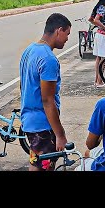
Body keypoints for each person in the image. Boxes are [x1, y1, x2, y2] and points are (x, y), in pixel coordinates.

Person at [19, 13, 72, 171]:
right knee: (44, 166)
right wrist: (60, 135)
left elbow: (23, 86)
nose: (67, 39)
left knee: (36, 163)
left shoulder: (29, 50)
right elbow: (47, 100)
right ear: (58, 30)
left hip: (29, 121)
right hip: (42, 125)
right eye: (67, 34)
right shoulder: (48, 59)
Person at [89, 0, 105, 88]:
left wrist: (99, 27)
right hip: (103, 36)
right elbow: (96, 20)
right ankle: (99, 81)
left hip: (98, 34)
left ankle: (97, 80)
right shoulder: (102, 8)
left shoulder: (98, 7)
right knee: (103, 59)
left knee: (99, 58)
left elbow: (91, 19)